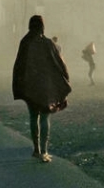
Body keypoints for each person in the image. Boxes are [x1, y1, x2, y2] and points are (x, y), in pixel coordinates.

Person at [12, 15, 71, 163]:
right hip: (45, 86)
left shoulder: (25, 42)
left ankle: (36, 150)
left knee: (33, 117)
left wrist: (19, 85)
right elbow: (59, 62)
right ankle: (44, 151)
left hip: (29, 86)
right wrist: (65, 78)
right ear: (42, 27)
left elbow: (18, 65)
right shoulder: (47, 43)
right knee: (45, 117)